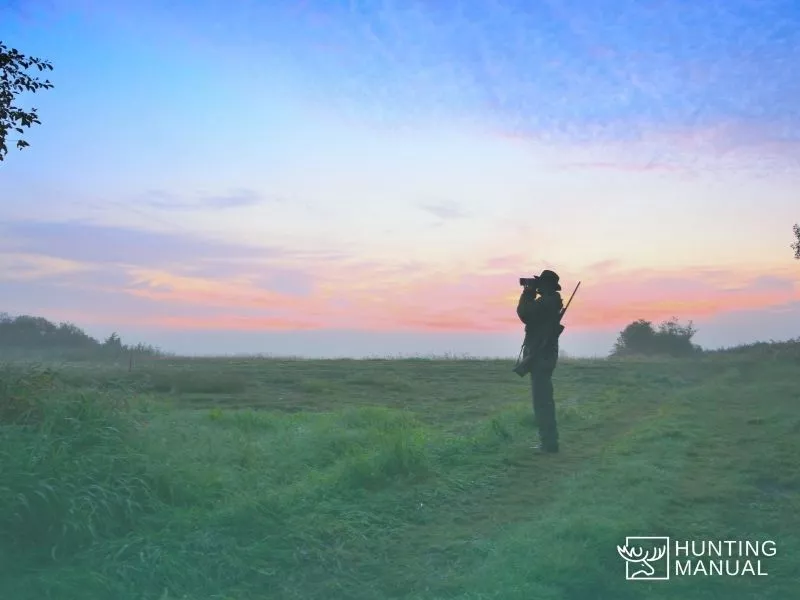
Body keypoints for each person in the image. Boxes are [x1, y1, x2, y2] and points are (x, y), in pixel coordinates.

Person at [516, 269, 564, 453]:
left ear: (547, 285)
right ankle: (549, 442)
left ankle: (549, 444)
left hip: (541, 356)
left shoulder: (547, 302)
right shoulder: (550, 301)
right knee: (543, 400)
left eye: (539, 283)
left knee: (542, 401)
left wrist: (527, 292)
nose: (537, 286)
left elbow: (524, 313)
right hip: (543, 355)